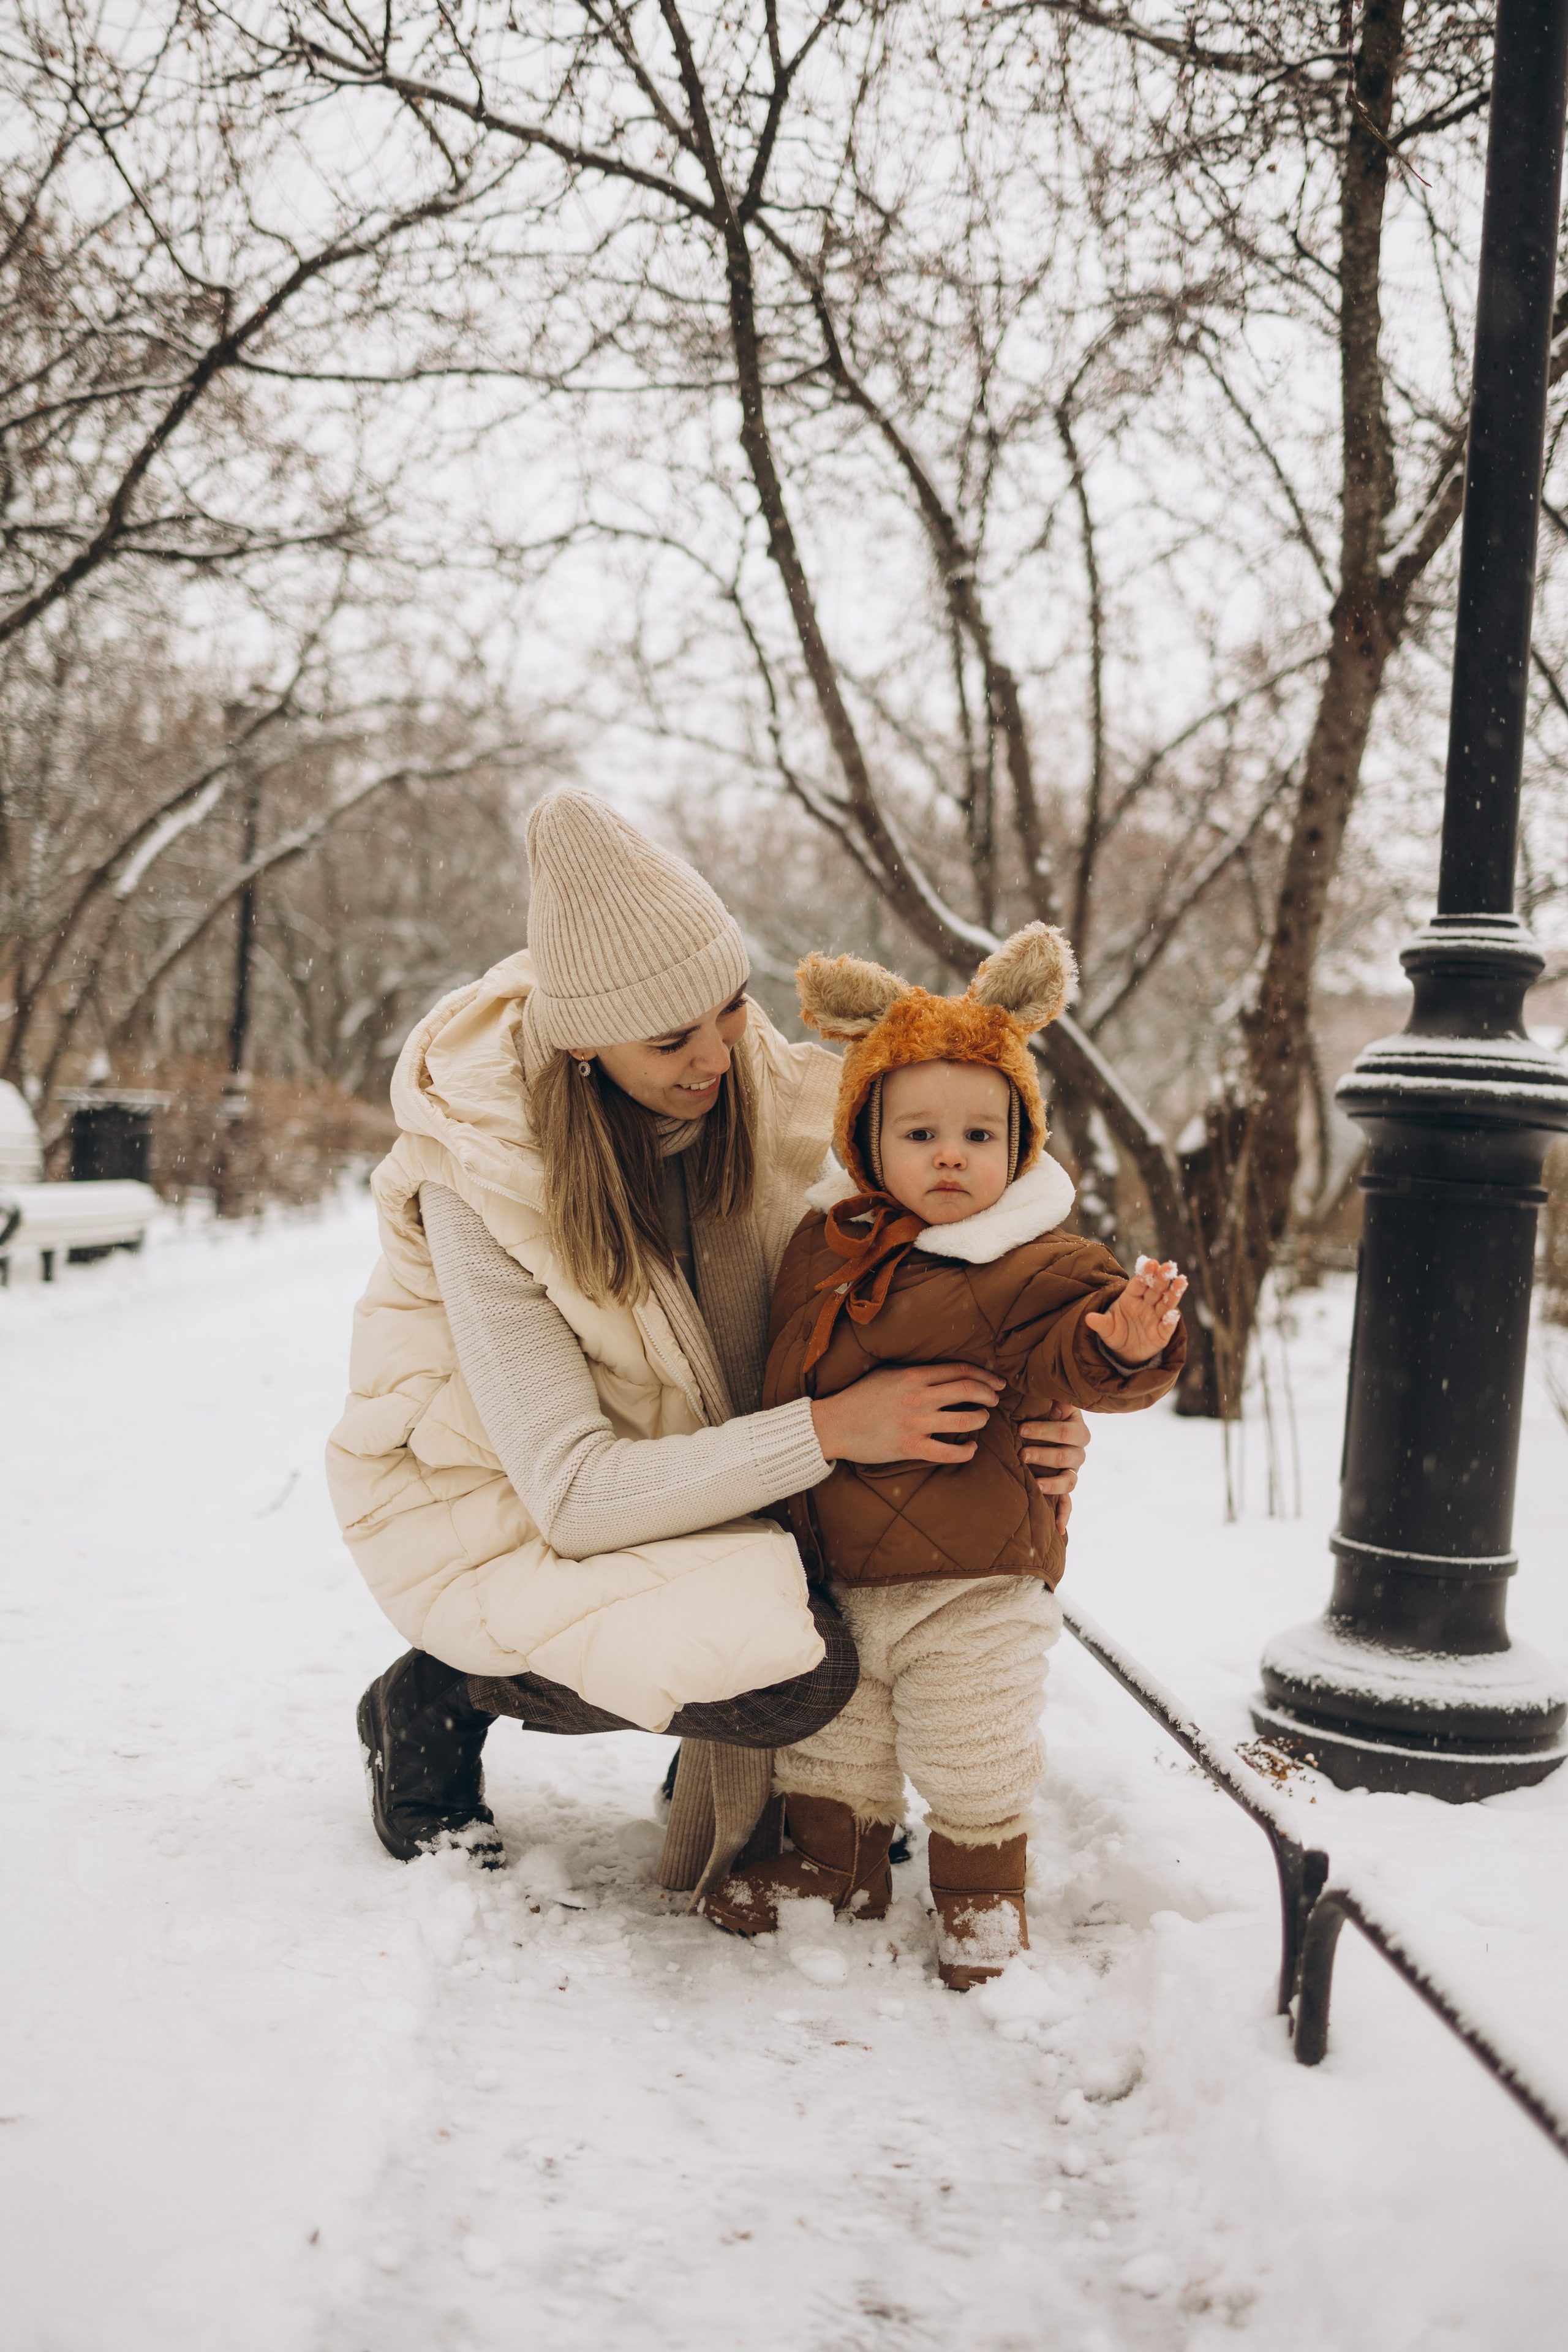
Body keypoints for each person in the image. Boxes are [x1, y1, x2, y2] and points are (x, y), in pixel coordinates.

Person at [327, 792, 1091, 1895]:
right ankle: (436, 1696)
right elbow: (576, 1495)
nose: (717, 1056)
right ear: (584, 1048)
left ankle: (785, 1773)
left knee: (892, 1563)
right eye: (670, 1038)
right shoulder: (478, 1184)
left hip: (696, 1465)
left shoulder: (765, 1087)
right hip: (501, 1506)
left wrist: (1038, 1416)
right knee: (799, 1667)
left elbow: (929, 1275)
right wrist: (834, 1429)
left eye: (729, 1008)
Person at [701, 924, 1186, 1984]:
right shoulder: (821, 1248)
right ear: (867, 1143)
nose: (952, 1155)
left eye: (980, 1131)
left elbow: (1075, 1347)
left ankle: (982, 1897)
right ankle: (838, 1868)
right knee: (835, 1741)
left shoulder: (1033, 1259)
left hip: (975, 1581)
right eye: (920, 1133)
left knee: (974, 1748)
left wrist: (1125, 1343)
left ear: (1020, 1143)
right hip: (842, 1571)